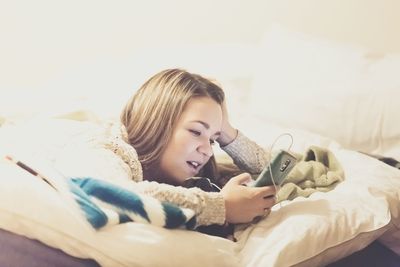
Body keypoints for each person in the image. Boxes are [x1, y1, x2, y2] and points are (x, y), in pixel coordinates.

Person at [110, 68, 275, 228]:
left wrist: (226, 131)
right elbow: (117, 194)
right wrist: (222, 207)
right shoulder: (107, 147)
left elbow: (269, 172)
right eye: (196, 132)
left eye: (212, 141)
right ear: (157, 122)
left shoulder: (196, 177)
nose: (208, 151)